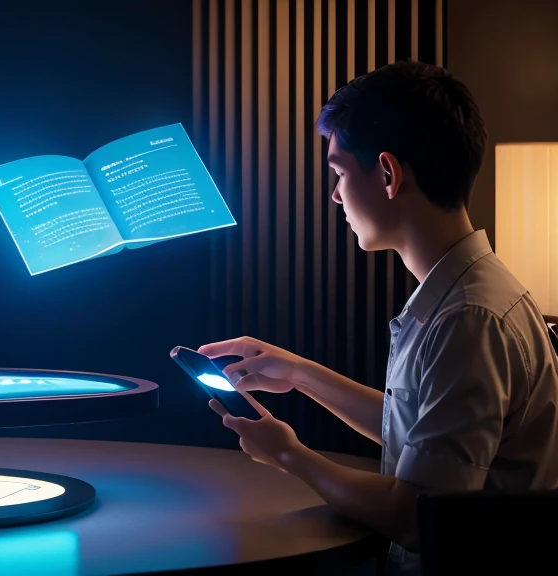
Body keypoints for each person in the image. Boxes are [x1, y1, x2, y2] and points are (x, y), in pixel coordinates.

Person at [200, 60, 558, 576]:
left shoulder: (469, 318)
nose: (336, 195)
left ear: (388, 174)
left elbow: (416, 513)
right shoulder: (461, 294)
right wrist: (300, 373)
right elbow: (418, 434)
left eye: (341, 172)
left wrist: (290, 455)